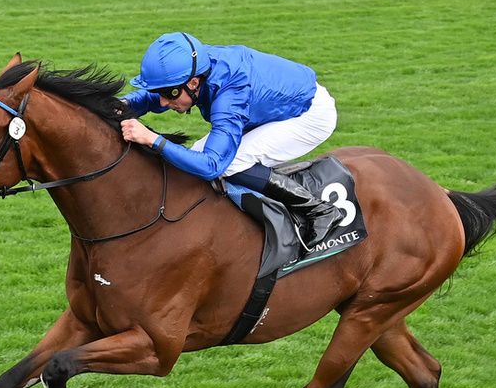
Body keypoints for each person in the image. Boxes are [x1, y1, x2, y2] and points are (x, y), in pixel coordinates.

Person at [119, 32, 340, 247]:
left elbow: (212, 165)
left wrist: (154, 139)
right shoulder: (197, 69)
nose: (164, 102)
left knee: (230, 164)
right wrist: (124, 104)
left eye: (169, 94)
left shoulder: (230, 97)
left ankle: (318, 210)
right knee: (195, 153)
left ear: (194, 83)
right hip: (271, 104)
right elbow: (156, 95)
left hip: (309, 115)